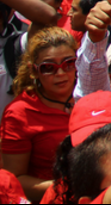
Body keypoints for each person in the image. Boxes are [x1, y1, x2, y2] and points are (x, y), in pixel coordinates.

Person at [0, 27, 76, 201]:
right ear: (34, 70)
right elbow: (14, 181)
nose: (61, 73)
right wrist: (68, 187)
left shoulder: (88, 94)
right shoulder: (19, 113)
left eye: (68, 63)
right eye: (49, 67)